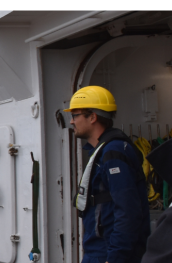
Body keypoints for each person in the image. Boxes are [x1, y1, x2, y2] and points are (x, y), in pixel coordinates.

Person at [66, 85, 150, 263]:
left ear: (93, 117)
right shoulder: (102, 151)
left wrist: (116, 257)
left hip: (107, 252)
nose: (71, 121)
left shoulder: (113, 152)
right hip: (98, 250)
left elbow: (128, 211)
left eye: (75, 115)